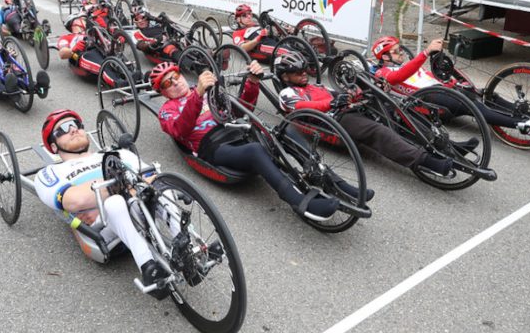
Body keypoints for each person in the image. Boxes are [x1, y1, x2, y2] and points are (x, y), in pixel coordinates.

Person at [152, 62, 370, 218]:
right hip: (214, 146)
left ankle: (332, 181)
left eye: (176, 75)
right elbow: (180, 130)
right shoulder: (167, 110)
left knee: (285, 131)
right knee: (256, 151)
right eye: (167, 83)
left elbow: (239, 110)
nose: (175, 82)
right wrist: (197, 95)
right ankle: (300, 201)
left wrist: (252, 82)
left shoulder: (206, 89)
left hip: (237, 130)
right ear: (163, 93)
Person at [35, 109, 177, 299]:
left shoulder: (117, 154)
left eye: (76, 125)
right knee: (115, 202)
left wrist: (103, 188)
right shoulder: (51, 172)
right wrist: (128, 185)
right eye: (62, 129)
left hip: (139, 209)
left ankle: (187, 247)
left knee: (164, 187)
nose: (73, 130)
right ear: (53, 146)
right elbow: (75, 200)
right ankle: (149, 268)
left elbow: (153, 178)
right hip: (103, 232)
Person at [276, 52, 457, 177]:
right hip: (335, 121)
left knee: (396, 110)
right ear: (285, 77)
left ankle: (446, 144)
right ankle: (426, 162)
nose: (303, 74)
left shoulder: (316, 86)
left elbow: (338, 94)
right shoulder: (287, 94)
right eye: (297, 73)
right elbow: (302, 106)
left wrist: (356, 92)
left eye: (304, 70)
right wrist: (330, 103)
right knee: (379, 131)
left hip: (348, 109)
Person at [371, 36, 530, 139]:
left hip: (440, 91)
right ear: (385, 57)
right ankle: (523, 125)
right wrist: (425, 53)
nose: (401, 52)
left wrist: (451, 82)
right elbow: (398, 77)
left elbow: (428, 76)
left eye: (400, 48)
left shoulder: (406, 64)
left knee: (488, 96)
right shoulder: (383, 73)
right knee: (475, 107)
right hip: (429, 102)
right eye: (396, 51)